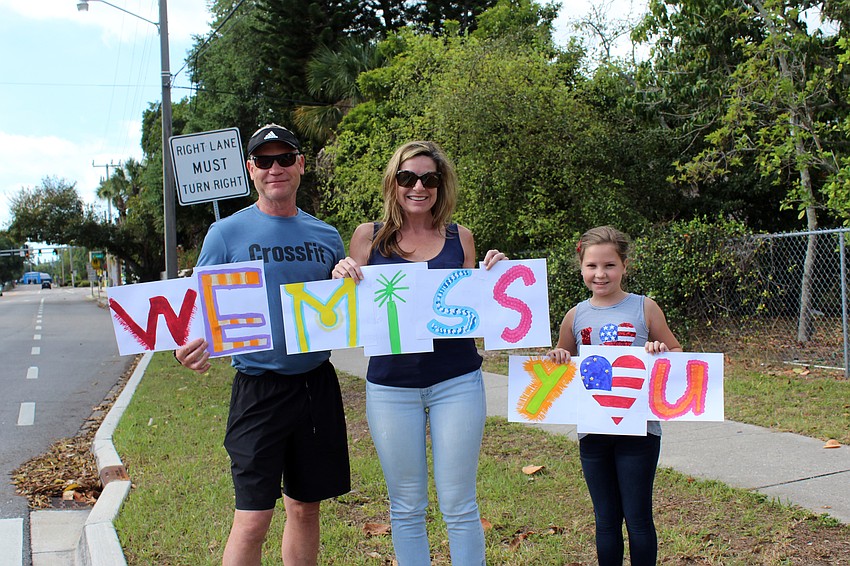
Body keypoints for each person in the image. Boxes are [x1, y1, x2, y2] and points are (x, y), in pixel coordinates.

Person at [175, 124, 350, 566]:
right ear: (251, 169)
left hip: (315, 387)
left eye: (285, 158)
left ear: (301, 166)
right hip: (258, 389)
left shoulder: (326, 236)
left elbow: (341, 306)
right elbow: (197, 309)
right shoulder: (225, 234)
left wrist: (346, 280)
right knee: (252, 521)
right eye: (265, 161)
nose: (276, 168)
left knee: (305, 508)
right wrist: (188, 348)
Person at [333, 140, 504, 565]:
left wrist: (493, 276)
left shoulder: (460, 237)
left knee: (459, 504)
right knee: (406, 507)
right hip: (391, 387)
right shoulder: (367, 237)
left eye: (430, 178)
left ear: (441, 185)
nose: (419, 187)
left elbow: (474, 308)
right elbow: (351, 310)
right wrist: (342, 274)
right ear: (393, 182)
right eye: (408, 177)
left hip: (457, 380)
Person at [547, 225, 682, 566]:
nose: (600, 274)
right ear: (581, 268)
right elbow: (562, 363)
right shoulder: (575, 316)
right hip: (593, 433)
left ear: (624, 266)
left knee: (637, 519)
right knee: (605, 520)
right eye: (592, 266)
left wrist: (661, 350)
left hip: (640, 432)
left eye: (609, 265)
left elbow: (678, 352)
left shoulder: (644, 308)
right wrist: (559, 358)